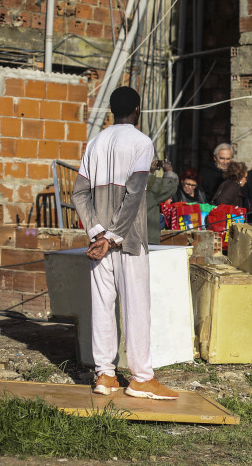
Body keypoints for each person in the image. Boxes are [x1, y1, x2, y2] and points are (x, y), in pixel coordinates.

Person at [71, 86, 177, 400]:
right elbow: (133, 196)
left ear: (111, 111)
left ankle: (104, 376)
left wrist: (98, 234)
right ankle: (141, 378)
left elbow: (79, 194)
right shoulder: (142, 143)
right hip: (128, 241)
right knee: (136, 308)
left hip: (99, 241)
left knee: (102, 308)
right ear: (137, 110)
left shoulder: (96, 142)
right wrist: (113, 237)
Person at [145, 159, 178, 245]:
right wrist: (169, 171)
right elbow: (169, 187)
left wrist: (150, 172)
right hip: (146, 236)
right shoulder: (145, 180)